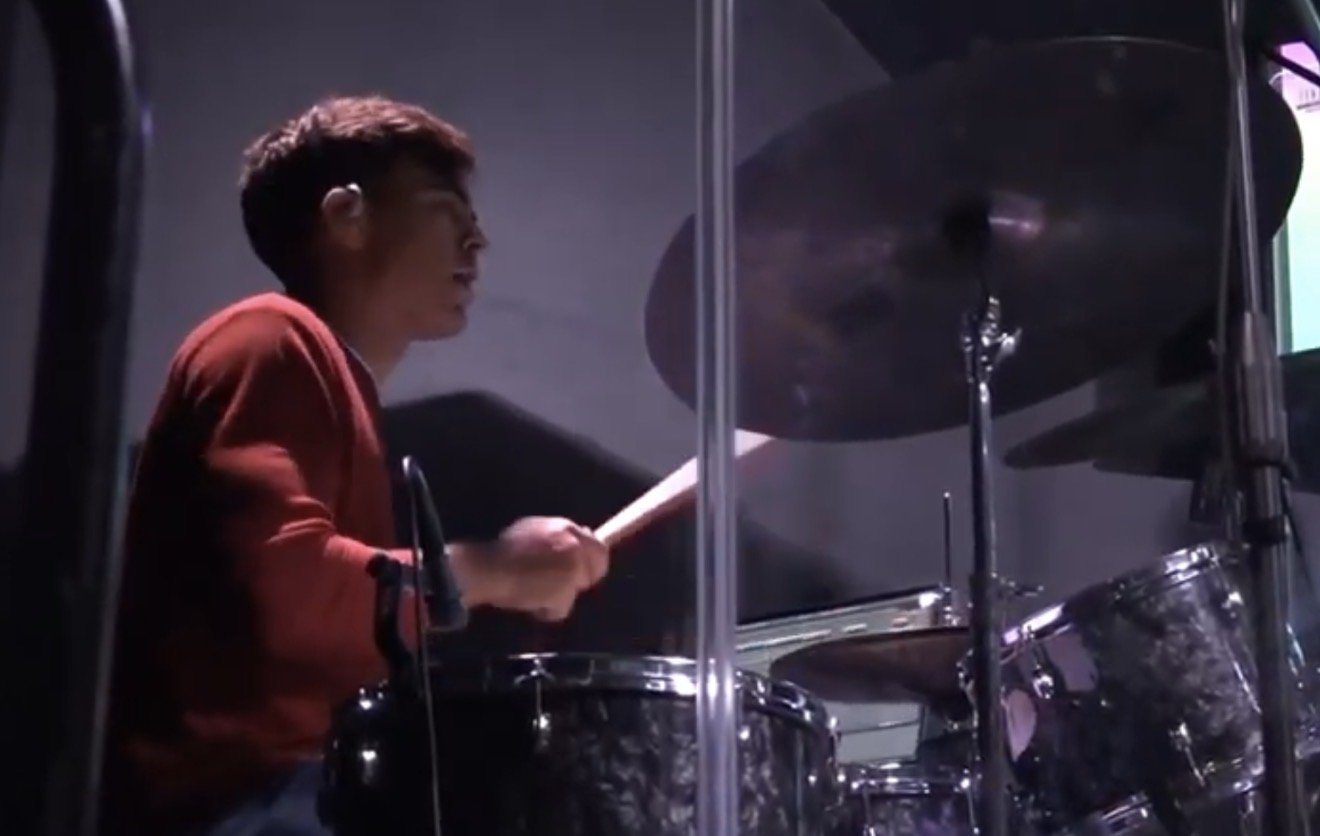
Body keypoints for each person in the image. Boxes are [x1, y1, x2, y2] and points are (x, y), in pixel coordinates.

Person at [100, 95, 611, 836]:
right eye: (445, 208)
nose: (478, 240)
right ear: (347, 215)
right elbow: (288, 594)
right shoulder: (269, 338)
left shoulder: (330, 384)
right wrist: (498, 570)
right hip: (237, 804)